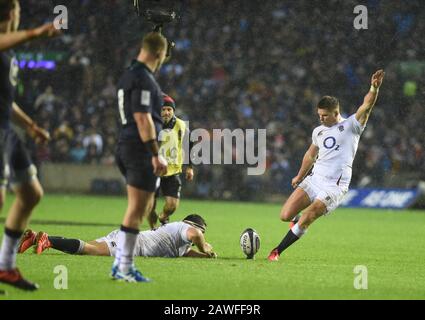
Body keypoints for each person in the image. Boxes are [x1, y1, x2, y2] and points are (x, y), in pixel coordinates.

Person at [268, 70, 385, 262]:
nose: (321, 118)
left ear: (336, 113)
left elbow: (367, 105)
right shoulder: (318, 131)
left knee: (309, 215)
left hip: (335, 185)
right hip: (315, 179)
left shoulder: (352, 126)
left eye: (324, 115)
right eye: (319, 115)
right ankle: (297, 222)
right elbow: (310, 154)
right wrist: (299, 176)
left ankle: (277, 251)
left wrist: (374, 87)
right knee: (285, 215)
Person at [0, 0, 60, 291]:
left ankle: (5, 268)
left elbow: (6, 102)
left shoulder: (8, 54)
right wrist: (36, 32)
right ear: (12, 13)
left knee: (31, 193)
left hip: (6, 131)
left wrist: (31, 126)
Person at [112, 31, 168, 282]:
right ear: (160, 53)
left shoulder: (129, 74)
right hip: (139, 148)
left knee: (143, 207)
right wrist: (155, 154)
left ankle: (120, 264)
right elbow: (143, 117)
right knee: (137, 209)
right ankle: (124, 267)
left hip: (128, 144)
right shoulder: (144, 78)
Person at [18, 214, 217, 259]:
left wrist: (203, 256)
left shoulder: (180, 239)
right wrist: (204, 246)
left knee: (86, 247)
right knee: (89, 251)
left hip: (129, 238)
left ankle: (35, 237)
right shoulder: (185, 228)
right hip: (132, 244)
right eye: (201, 232)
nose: (200, 236)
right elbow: (196, 234)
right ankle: (48, 241)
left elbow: (184, 252)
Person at [148, 94, 194, 229]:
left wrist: (190, 166)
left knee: (172, 205)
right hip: (153, 172)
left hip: (171, 172)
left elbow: (190, 142)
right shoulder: (152, 125)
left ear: (173, 111)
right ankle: (153, 230)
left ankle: (163, 216)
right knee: (150, 205)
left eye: (169, 109)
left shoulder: (181, 125)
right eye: (163, 109)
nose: (166, 112)